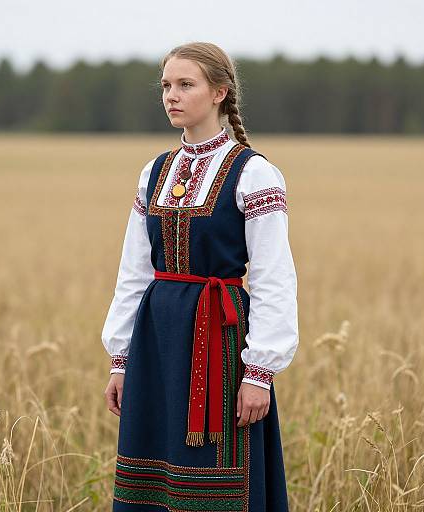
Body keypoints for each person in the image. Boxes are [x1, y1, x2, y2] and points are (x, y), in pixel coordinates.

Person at [101, 41, 299, 512]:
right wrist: (120, 358)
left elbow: (274, 278)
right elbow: (134, 270)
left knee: (216, 477)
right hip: (157, 337)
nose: (171, 94)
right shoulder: (155, 172)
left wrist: (259, 372)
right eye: (166, 85)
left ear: (219, 92)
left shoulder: (255, 174)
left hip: (220, 342)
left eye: (185, 84)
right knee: (152, 475)